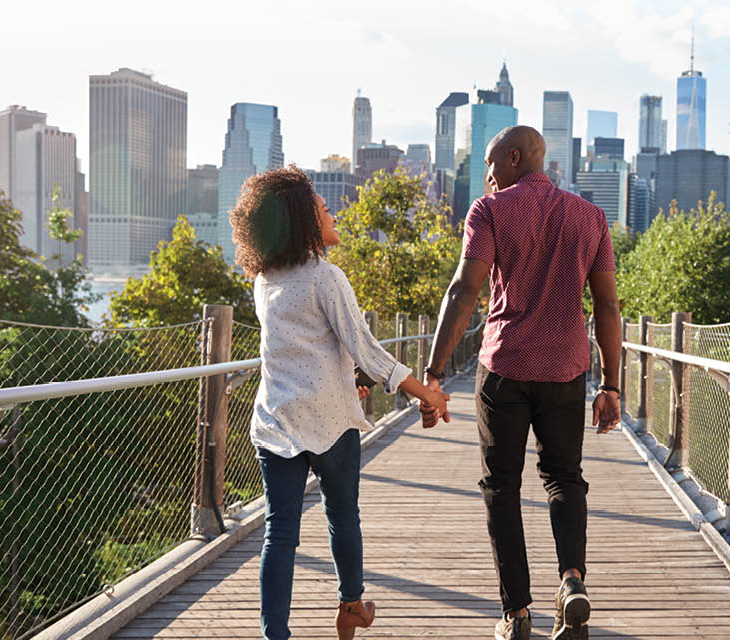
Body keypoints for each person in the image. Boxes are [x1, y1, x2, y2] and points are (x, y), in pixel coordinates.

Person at [230, 166, 451, 640]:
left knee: (279, 533)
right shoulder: (326, 278)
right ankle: (351, 605)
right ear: (303, 223)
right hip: (329, 422)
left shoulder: (264, 282)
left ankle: (276, 636)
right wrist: (427, 393)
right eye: (326, 211)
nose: (335, 217)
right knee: (342, 516)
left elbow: (303, 347)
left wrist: (349, 377)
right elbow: (368, 349)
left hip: (276, 423)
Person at [420, 126, 623, 640]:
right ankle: (572, 580)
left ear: (515, 158)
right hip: (566, 370)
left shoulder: (488, 211)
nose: (487, 178)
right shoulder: (591, 216)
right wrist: (612, 385)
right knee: (564, 477)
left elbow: (465, 290)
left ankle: (516, 615)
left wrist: (435, 373)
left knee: (501, 486)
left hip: (505, 368)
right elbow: (608, 305)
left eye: (490, 166)